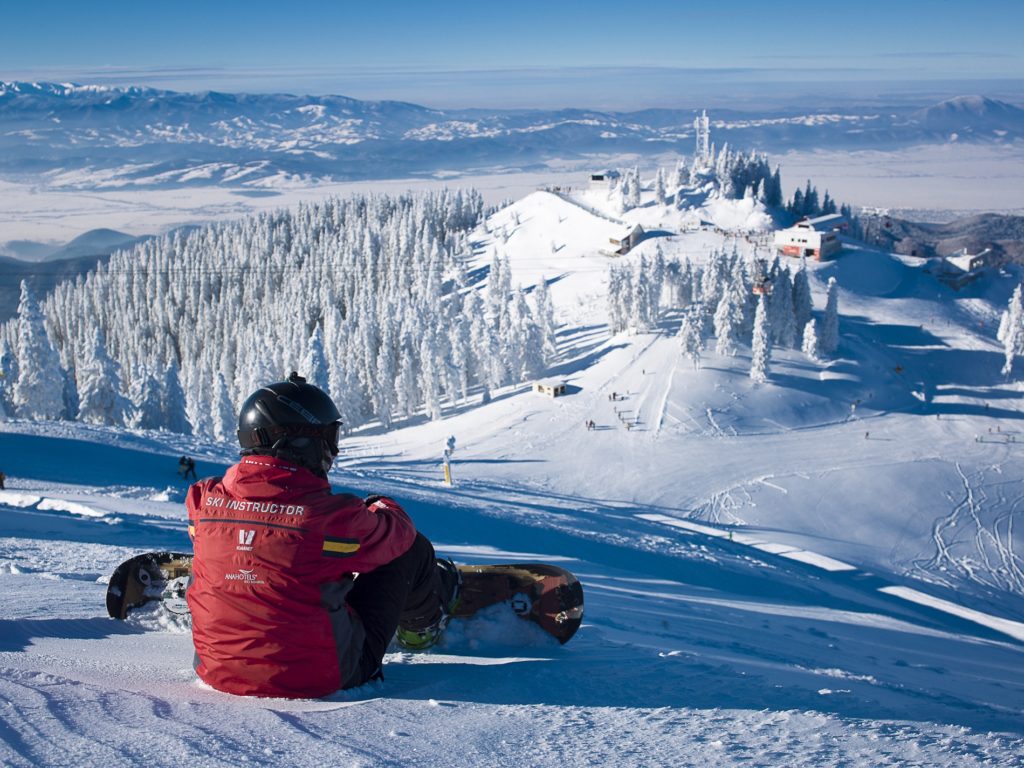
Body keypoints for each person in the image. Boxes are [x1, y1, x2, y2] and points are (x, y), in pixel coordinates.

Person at [185, 372, 459, 699]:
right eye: (329, 438)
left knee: (212, 544)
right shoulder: (331, 518)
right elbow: (398, 532)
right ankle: (422, 627)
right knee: (410, 548)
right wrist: (381, 504)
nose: (333, 451)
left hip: (216, 671)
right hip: (322, 677)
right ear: (302, 441)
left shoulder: (202, 499)